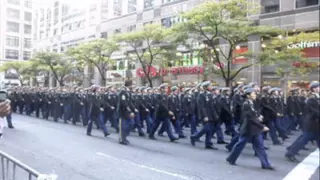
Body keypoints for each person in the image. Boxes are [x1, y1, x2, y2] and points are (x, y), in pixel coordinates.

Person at [226, 88, 274, 170]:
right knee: (240, 145)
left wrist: (259, 116)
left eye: (255, 93)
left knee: (260, 147)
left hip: (255, 129)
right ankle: (231, 158)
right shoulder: (246, 104)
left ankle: (265, 164)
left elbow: (254, 112)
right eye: (253, 94)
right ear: (248, 95)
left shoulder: (252, 102)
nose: (255, 95)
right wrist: (262, 126)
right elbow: (250, 118)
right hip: (248, 129)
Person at [285, 82, 320, 162]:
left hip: (316, 124)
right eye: (318, 87)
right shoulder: (312, 98)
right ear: (314, 89)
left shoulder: (317, 98)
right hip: (312, 124)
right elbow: (315, 111)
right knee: (304, 140)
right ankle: (290, 153)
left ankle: (290, 152)